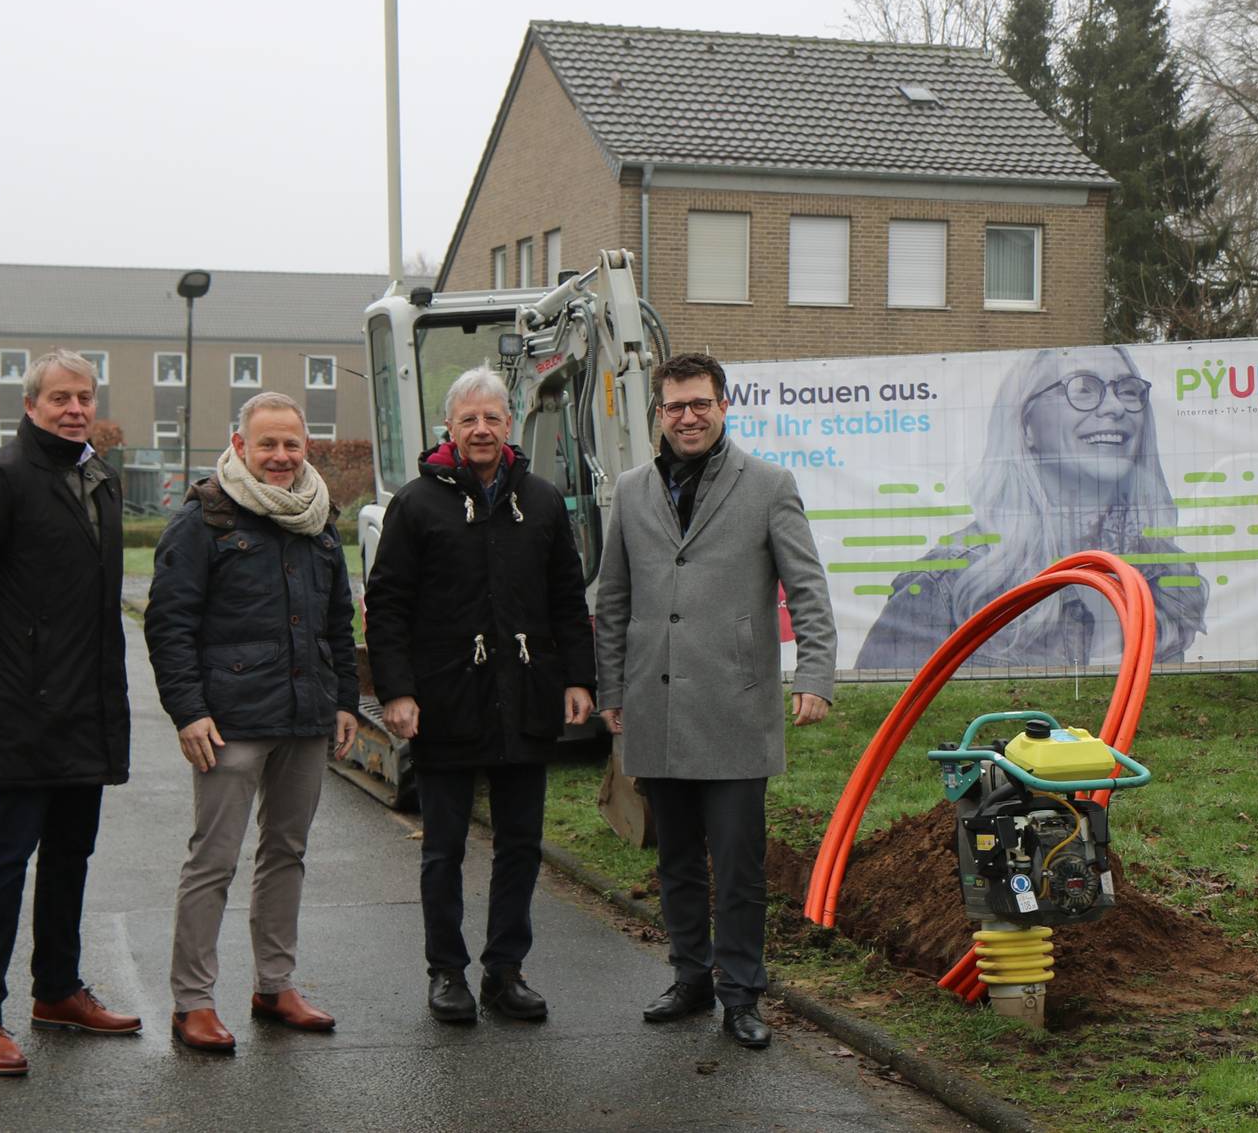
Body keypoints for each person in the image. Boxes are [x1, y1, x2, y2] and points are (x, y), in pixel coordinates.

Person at [593, 352, 837, 1050]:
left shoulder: (767, 486)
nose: (688, 416)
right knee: (674, 859)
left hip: (735, 706)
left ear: (724, 405)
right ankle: (690, 977)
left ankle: (740, 992)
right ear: (660, 414)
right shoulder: (635, 492)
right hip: (655, 706)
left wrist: (814, 674)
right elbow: (614, 601)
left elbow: (808, 589)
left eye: (700, 403)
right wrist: (612, 688)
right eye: (675, 406)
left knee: (736, 863)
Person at [0, 349, 141, 1077]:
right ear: (31, 405)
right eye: (60, 398)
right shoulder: (0, 479)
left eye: (84, 397)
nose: (74, 408)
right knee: (6, 861)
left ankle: (57, 990)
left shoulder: (99, 481)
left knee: (72, 855)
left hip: (87, 706)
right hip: (19, 708)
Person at [364, 366, 596, 1024]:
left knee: (521, 842)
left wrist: (579, 678)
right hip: (446, 702)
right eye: (469, 419)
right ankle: (446, 972)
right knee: (443, 847)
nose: (481, 429)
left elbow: (567, 599)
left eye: (492, 417)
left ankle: (505, 969)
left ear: (510, 423)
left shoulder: (543, 502)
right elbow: (386, 605)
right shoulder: (417, 504)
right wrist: (398, 692)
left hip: (524, 699)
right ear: (450, 428)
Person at [144, 392, 360, 1051]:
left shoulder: (319, 518)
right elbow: (169, 621)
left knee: (286, 853)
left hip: (304, 717)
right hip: (230, 722)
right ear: (240, 445)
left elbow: (338, 621)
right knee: (213, 859)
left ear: (306, 448)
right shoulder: (205, 517)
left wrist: (344, 699)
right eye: (267, 443)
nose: (280, 456)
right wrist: (189, 711)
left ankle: (275, 985)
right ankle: (193, 1001)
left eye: (291, 444)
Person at [854, 344, 1207, 672]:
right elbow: (878, 718)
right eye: (1084, 388)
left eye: (1128, 390)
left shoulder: (1164, 574)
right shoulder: (946, 582)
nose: (1115, 407)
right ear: (1026, 426)